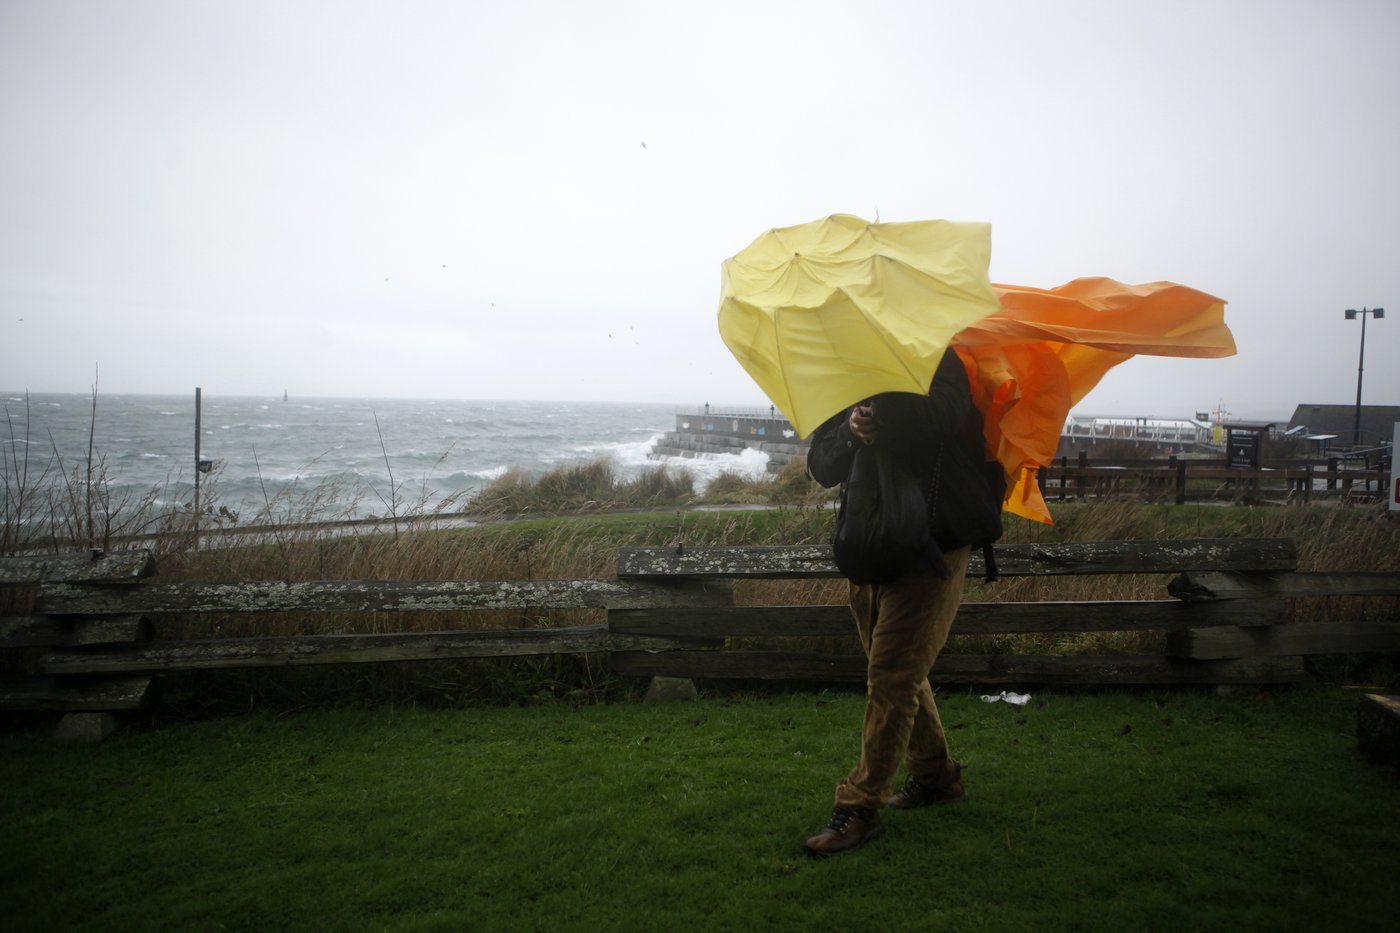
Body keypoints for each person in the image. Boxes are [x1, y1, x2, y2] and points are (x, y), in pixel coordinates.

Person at [802, 347, 1003, 857]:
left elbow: (944, 416)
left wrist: (883, 409)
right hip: (871, 542)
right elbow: (822, 464)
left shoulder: (941, 358)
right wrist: (852, 429)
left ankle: (859, 806)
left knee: (892, 676)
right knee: (896, 669)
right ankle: (937, 778)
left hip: (933, 541)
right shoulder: (851, 370)